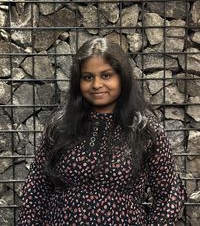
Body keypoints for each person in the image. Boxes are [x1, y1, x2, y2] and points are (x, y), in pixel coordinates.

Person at [17, 37, 186, 225]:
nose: (96, 84)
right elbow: (36, 189)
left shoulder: (144, 129)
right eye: (88, 77)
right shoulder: (60, 126)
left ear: (122, 78)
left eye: (106, 75)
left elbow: (169, 194)